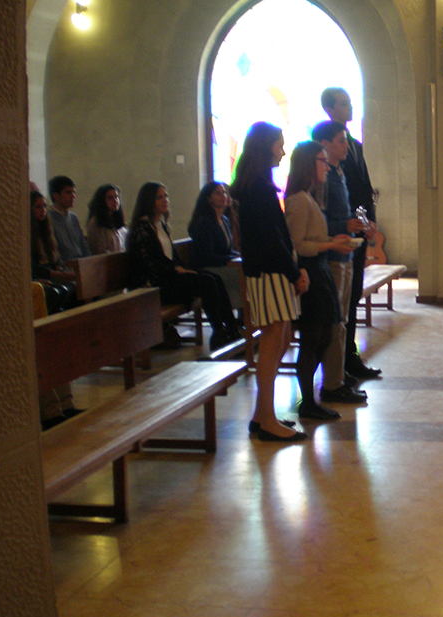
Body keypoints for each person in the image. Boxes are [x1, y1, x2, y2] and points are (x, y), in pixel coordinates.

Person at [230, 121, 309, 442]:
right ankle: (267, 420)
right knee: (273, 341)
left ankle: (261, 415)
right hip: (269, 274)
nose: (283, 151)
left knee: (282, 338)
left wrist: (294, 268)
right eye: (279, 144)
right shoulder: (258, 189)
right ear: (266, 148)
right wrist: (294, 272)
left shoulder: (258, 185)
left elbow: (276, 237)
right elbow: (272, 240)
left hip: (271, 271)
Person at [285, 141, 357, 421]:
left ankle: (309, 399)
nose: (327, 167)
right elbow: (298, 245)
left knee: (325, 334)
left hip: (320, 270)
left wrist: (332, 240)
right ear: (307, 163)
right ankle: (307, 401)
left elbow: (312, 238)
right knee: (313, 338)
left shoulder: (308, 196)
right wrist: (330, 245)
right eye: (322, 161)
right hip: (309, 272)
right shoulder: (297, 200)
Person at [126, 181, 240, 351]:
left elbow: (172, 255)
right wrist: (175, 269)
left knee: (214, 278)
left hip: (169, 277)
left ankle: (231, 328)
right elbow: (150, 262)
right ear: (149, 201)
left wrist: (180, 267)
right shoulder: (142, 229)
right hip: (154, 285)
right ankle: (219, 332)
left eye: (166, 196)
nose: (165, 200)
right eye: (159, 197)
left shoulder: (160, 225)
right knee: (207, 282)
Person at [321, 87, 381, 380]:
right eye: (344, 104)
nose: (350, 107)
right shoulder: (326, 147)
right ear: (330, 109)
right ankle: (341, 362)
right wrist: (352, 221)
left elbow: (360, 192)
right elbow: (336, 199)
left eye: (350, 102)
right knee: (341, 302)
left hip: (356, 230)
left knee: (353, 294)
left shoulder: (353, 144)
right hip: (340, 235)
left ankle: (350, 357)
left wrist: (367, 221)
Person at [312, 119, 369, 405]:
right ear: (325, 144)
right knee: (335, 322)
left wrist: (359, 223)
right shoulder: (322, 178)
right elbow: (319, 222)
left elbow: (348, 209)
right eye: (341, 140)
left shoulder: (339, 172)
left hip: (346, 252)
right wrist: (343, 225)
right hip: (332, 255)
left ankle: (340, 374)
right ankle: (332, 384)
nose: (346, 145)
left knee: (343, 320)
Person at [187, 181, 243, 309]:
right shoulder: (205, 222)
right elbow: (207, 256)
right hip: (207, 268)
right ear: (208, 198)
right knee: (239, 274)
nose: (223, 196)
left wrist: (238, 256)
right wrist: (230, 260)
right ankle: (237, 309)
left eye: (224, 193)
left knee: (245, 269)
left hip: (220, 264)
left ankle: (243, 311)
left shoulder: (224, 220)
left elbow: (227, 250)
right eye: (218, 193)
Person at [31, 190, 78, 314]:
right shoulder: (27, 233)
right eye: (38, 207)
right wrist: (56, 274)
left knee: (76, 286)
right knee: (57, 291)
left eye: (44, 206)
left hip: (50, 271)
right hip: (40, 275)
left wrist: (60, 268)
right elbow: (32, 266)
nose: (43, 210)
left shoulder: (46, 230)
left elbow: (54, 257)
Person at [48, 175, 91, 261]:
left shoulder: (73, 218)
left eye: (73, 192)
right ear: (56, 196)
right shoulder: (49, 219)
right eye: (68, 192)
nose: (73, 196)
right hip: (64, 265)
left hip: (80, 263)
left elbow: (83, 245)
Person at [85, 184, 128, 254]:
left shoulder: (117, 220)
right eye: (110, 198)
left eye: (116, 197)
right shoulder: (96, 223)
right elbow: (101, 250)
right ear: (102, 201)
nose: (115, 200)